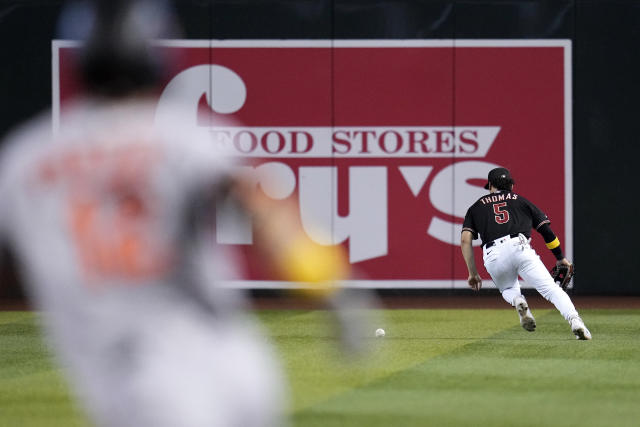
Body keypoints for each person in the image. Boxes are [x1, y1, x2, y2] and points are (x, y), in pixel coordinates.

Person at [0, 1, 356, 426]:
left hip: (139, 380)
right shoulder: (189, 134)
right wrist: (330, 285)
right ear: (157, 57)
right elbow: (262, 208)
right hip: (237, 363)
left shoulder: (25, 160)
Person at [460, 167, 591, 340]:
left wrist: (473, 273)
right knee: (552, 290)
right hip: (519, 246)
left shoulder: (476, 207)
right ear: (511, 186)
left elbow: (465, 240)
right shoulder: (521, 201)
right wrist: (560, 258)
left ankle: (518, 301)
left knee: (507, 288)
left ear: (490, 185)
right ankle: (575, 321)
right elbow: (547, 232)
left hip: (493, 253)